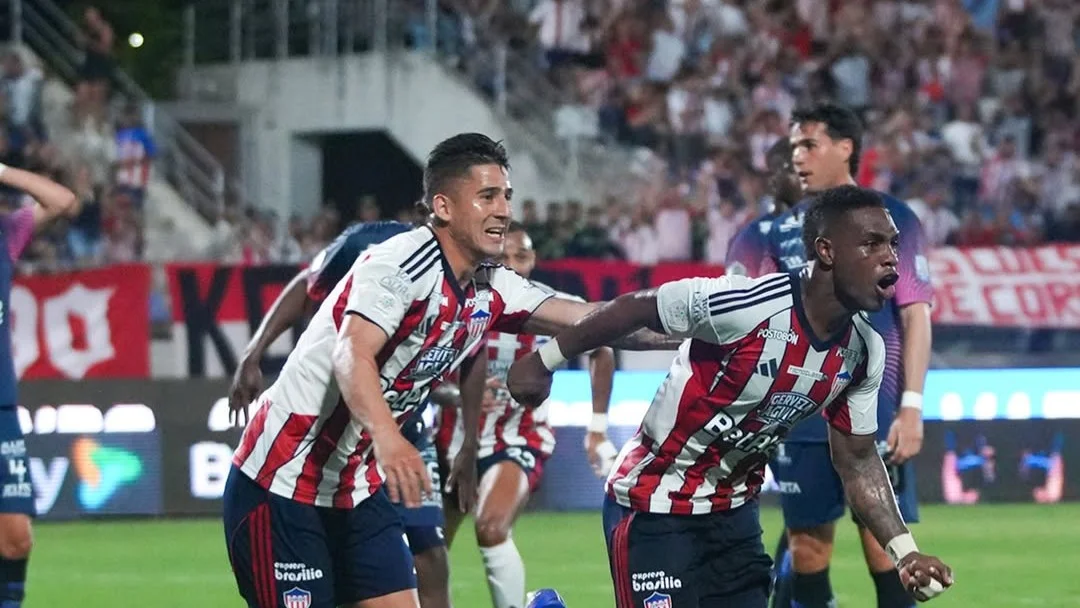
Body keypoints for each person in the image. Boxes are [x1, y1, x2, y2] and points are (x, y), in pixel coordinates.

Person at [222, 132, 675, 608]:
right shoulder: (401, 263)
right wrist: (388, 437)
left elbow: (597, 320)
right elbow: (350, 353)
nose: (503, 210)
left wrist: (696, 323)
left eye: (506, 196)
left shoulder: (492, 286)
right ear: (443, 207)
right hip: (281, 480)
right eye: (487, 196)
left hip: (355, 488)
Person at [508, 186, 954, 607]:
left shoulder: (864, 349)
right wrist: (545, 359)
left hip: (735, 515)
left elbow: (857, 459)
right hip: (655, 503)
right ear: (826, 251)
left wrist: (905, 552)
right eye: (872, 244)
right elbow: (637, 307)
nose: (890, 257)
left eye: (893, 244)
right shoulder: (749, 304)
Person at [227, 219, 457, 608]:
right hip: (325, 435)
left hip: (391, 438)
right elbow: (306, 286)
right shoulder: (371, 242)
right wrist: (254, 352)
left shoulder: (469, 277)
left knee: (430, 553)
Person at [763, 103, 934, 608]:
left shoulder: (893, 219)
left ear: (845, 148)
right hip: (800, 411)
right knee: (807, 550)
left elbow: (915, 314)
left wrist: (911, 405)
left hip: (872, 406)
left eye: (809, 144)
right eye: (794, 146)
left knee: (888, 550)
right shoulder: (781, 230)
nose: (798, 156)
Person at [434, 221, 617, 608]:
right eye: (503, 256)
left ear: (533, 259)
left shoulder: (551, 306)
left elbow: (602, 346)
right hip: (451, 443)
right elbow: (422, 374)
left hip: (517, 439)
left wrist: (597, 428)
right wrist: (457, 396)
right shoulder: (458, 303)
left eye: (521, 255)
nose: (512, 264)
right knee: (429, 551)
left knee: (491, 527)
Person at [0, 163, 78, 607]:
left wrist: (2, 170)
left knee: (16, 540)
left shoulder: (5, 234)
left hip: (1, 410)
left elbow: (63, 201)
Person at [725, 138, 802, 279]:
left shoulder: (825, 224)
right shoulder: (754, 234)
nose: (771, 179)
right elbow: (737, 287)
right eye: (771, 172)